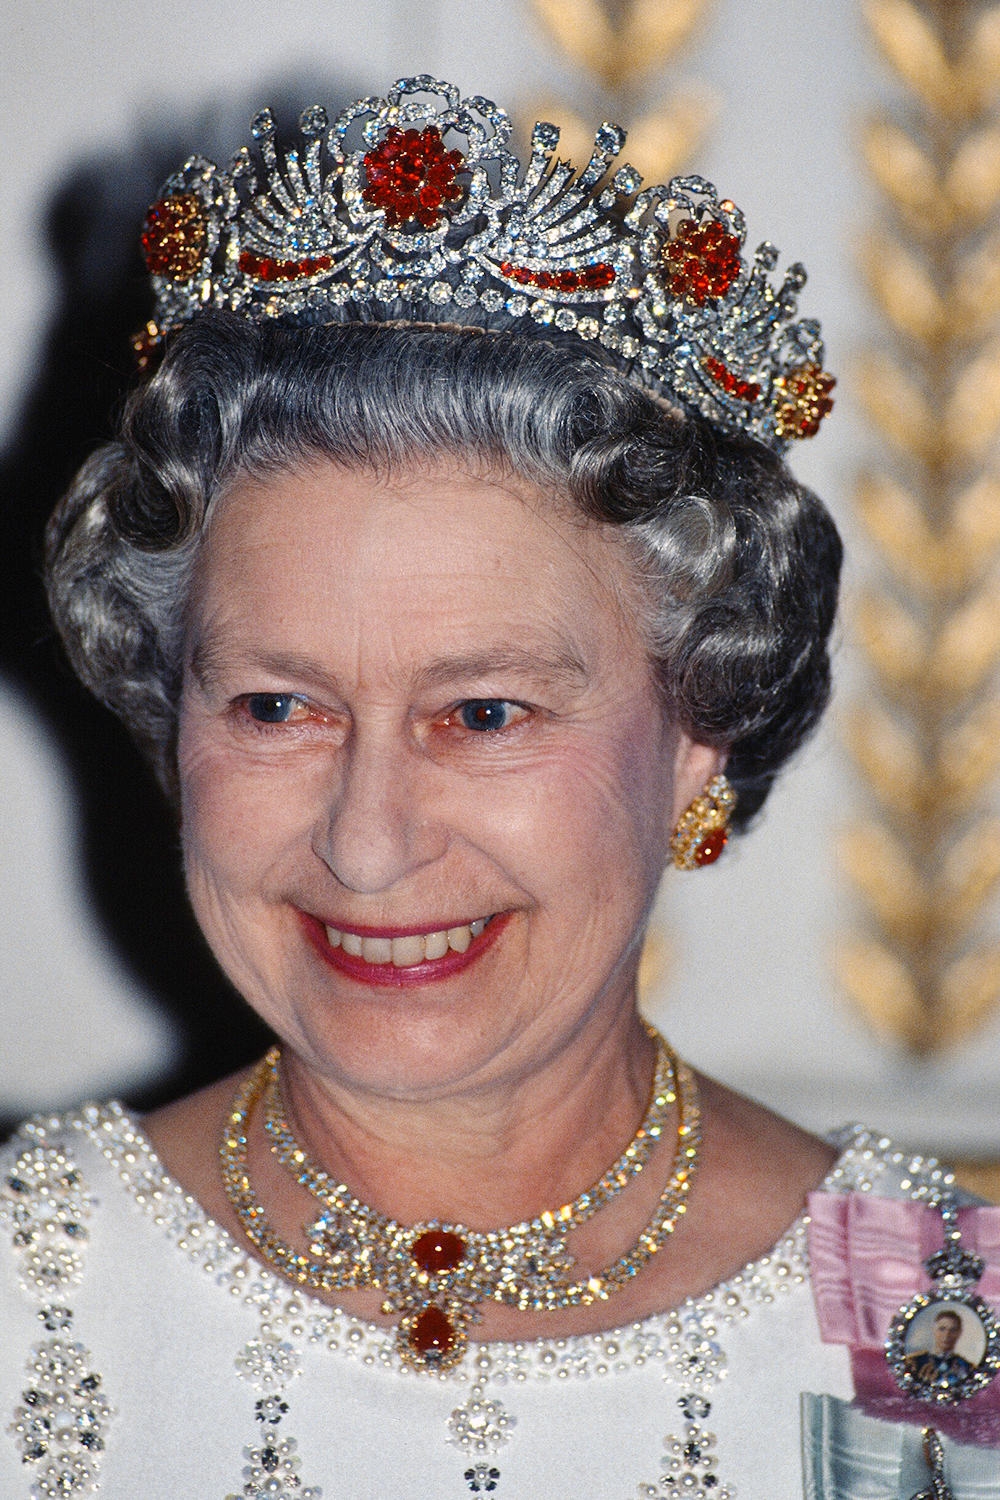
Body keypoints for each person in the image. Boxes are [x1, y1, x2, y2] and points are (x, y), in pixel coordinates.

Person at [2, 77, 991, 1499]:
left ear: (701, 729)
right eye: (277, 706)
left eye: (483, 712)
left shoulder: (941, 1325)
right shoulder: (29, 1291)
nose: (367, 843)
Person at [903, 1309, 976, 1392]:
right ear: (934, 1330)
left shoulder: (967, 1367)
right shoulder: (914, 1362)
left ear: (959, 1333)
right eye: (942, 1329)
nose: (947, 1335)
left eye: (952, 1330)